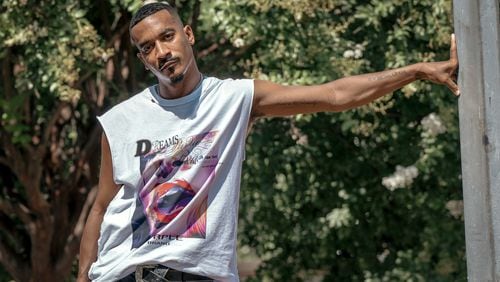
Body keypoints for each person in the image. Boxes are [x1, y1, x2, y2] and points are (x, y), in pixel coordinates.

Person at [77, 1, 459, 282]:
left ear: (187, 34)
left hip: (198, 274)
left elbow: (335, 95)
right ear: (142, 59)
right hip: (122, 274)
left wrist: (417, 71)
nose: (162, 52)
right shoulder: (121, 121)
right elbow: (101, 208)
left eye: (167, 36)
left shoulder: (234, 99)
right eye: (148, 48)